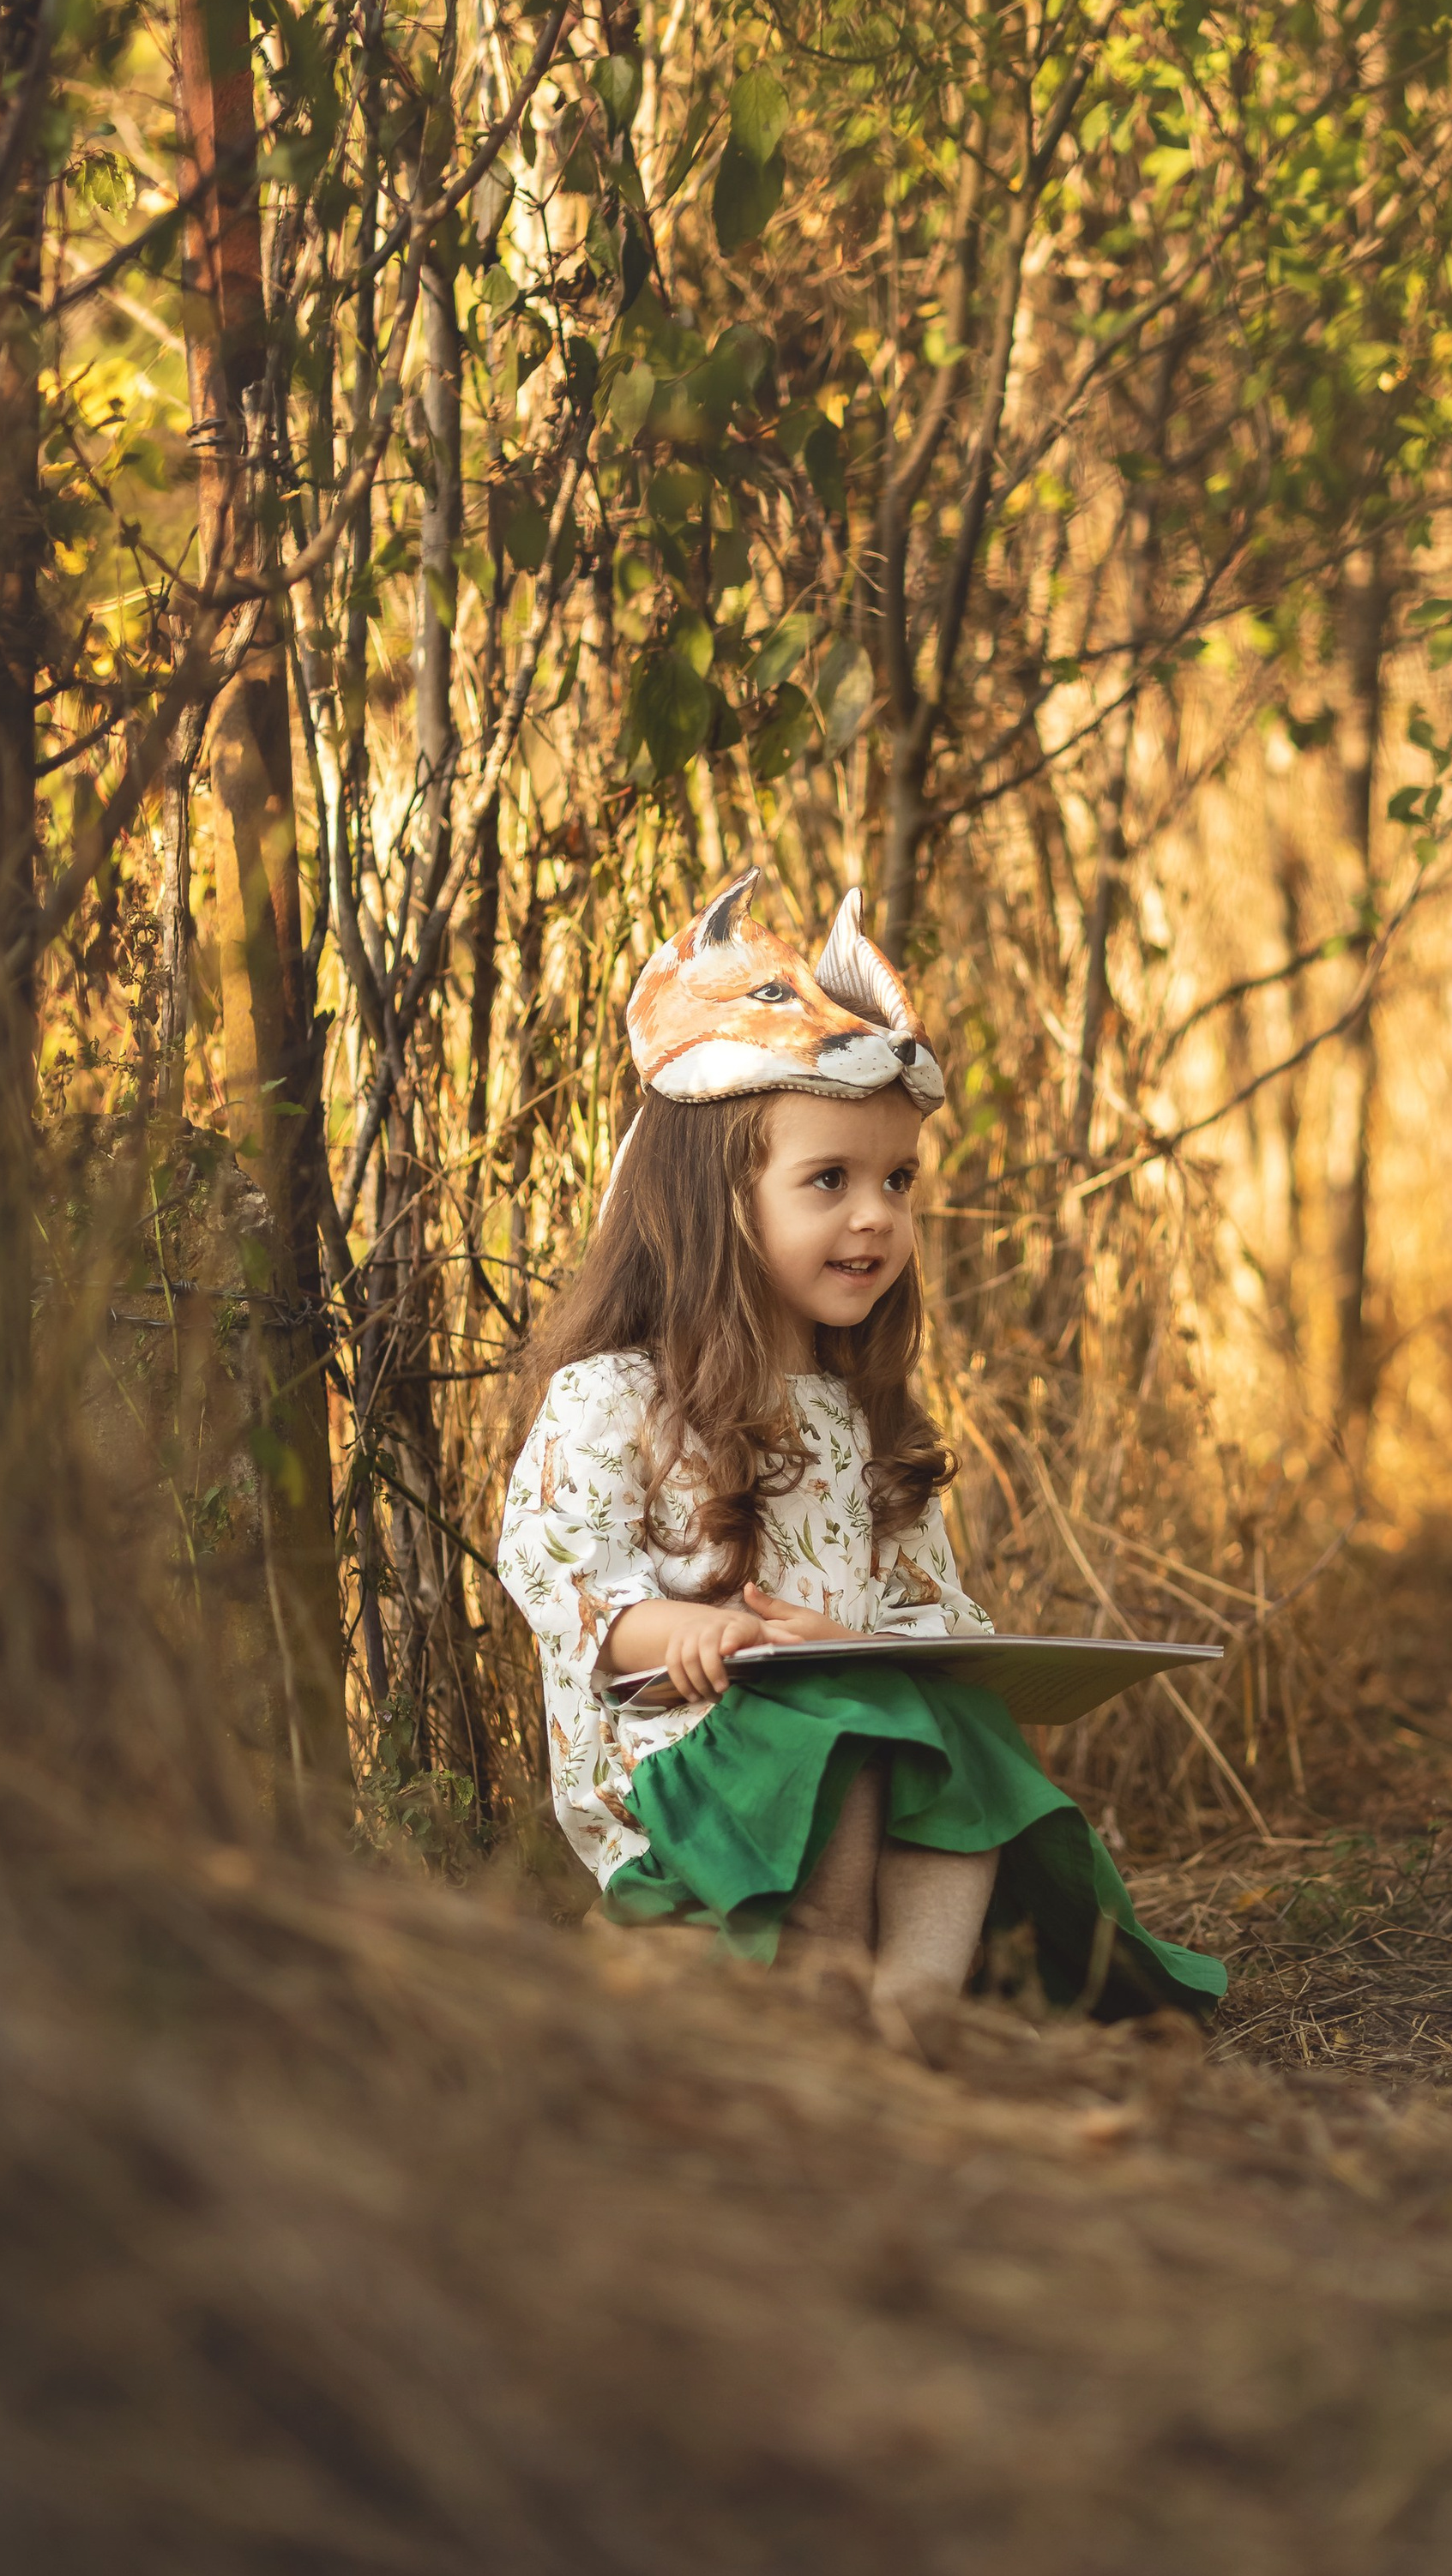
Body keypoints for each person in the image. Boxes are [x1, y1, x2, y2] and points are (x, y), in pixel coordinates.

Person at [497, 869, 1225, 2061]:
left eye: (898, 1182)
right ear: (712, 1201)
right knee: (835, 1717)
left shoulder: (851, 1412)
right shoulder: (614, 1396)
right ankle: (825, 1985)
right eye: (829, 1182)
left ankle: (917, 2008)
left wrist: (928, 1653)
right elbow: (556, 1570)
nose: (876, 1217)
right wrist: (684, 1635)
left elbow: (929, 1603)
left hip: (859, 1732)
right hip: (684, 1765)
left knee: (949, 1719)